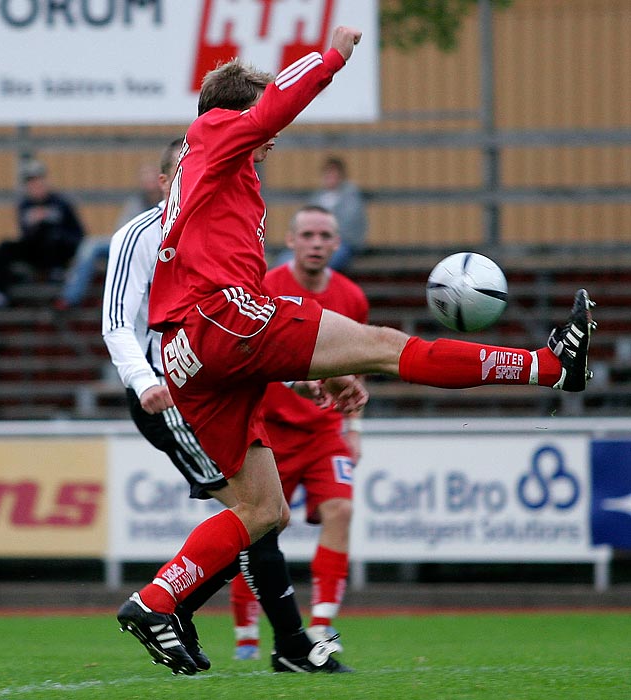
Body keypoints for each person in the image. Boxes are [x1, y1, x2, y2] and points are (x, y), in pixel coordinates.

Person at [117, 26, 596, 677]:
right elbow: (269, 109)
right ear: (234, 110)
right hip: (219, 319)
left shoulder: (212, 179)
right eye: (257, 113)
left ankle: (155, 601)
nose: (272, 137)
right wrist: (330, 57)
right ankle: (551, 366)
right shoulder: (213, 133)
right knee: (386, 347)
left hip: (194, 349)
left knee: (262, 510)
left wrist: (317, 374)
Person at [105, 140, 353, 674]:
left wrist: (302, 380)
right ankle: (283, 641)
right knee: (260, 513)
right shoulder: (141, 235)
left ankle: (182, 610)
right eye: (181, 171)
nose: (191, 180)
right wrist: (144, 379)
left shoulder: (224, 234)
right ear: (167, 178)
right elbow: (116, 322)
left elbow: (249, 328)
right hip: (172, 397)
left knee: (263, 514)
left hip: (215, 390)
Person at [230, 204, 368, 660]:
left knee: (341, 511)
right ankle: (246, 636)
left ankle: (324, 626)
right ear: (290, 240)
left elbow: (356, 366)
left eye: (324, 235)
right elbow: (247, 355)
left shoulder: (352, 297)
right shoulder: (266, 286)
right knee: (256, 527)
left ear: (336, 244)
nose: (315, 243)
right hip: (268, 429)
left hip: (324, 429)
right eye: (307, 234)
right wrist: (297, 381)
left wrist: (354, 426)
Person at [56, 162, 163, 310]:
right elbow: (122, 230)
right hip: (131, 244)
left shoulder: (169, 201)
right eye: (145, 178)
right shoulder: (135, 202)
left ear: (161, 180)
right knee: (91, 245)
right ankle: (70, 297)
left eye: (152, 178)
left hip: (157, 248)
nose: (149, 183)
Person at [0, 159, 85, 308]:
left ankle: (55, 271)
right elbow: (26, 235)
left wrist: (50, 222)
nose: (35, 187)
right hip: (37, 251)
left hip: (59, 251)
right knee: (4, 247)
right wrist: (33, 222)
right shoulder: (25, 205)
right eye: (31, 183)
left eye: (38, 181)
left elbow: (78, 235)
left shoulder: (61, 203)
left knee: (51, 233)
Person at [273, 156, 367, 271]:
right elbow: (301, 217)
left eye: (334, 174)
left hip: (342, 243)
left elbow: (347, 224)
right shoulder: (318, 195)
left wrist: (322, 234)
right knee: (284, 259)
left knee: (322, 260)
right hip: (311, 240)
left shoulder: (350, 195)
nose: (331, 178)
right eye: (328, 174)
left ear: (341, 176)